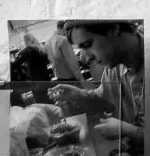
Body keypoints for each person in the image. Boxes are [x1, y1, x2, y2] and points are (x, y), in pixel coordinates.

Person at [49, 23, 143, 156]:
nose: (86, 58)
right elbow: (103, 98)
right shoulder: (114, 69)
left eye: (87, 45)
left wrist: (128, 130)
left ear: (112, 29)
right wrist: (78, 94)